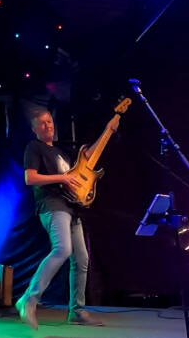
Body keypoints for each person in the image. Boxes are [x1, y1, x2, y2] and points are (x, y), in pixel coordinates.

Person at [15, 109, 119, 329]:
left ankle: (77, 311)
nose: (48, 126)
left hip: (72, 208)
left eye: (50, 121)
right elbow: (30, 178)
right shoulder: (34, 147)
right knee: (62, 249)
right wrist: (62, 178)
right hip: (52, 204)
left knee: (81, 259)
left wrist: (107, 130)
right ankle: (28, 299)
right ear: (34, 129)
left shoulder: (61, 152)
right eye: (42, 123)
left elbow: (87, 158)